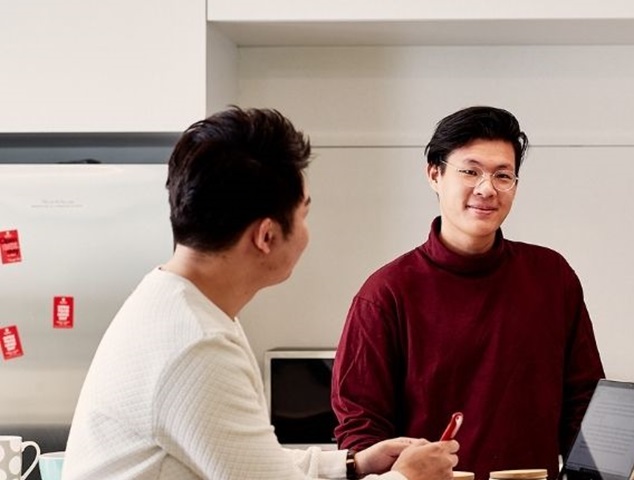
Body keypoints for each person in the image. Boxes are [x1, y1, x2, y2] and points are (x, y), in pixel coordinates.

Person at [63, 107, 459, 480]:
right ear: (266, 236)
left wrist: (354, 463)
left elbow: (244, 455)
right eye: (304, 215)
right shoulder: (196, 345)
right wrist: (407, 476)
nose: (307, 232)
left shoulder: (179, 305)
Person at [331, 105, 605, 480]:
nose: (487, 188)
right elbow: (360, 431)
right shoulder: (385, 294)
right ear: (434, 174)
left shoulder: (552, 276)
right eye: (470, 171)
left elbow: (584, 403)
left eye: (502, 175)